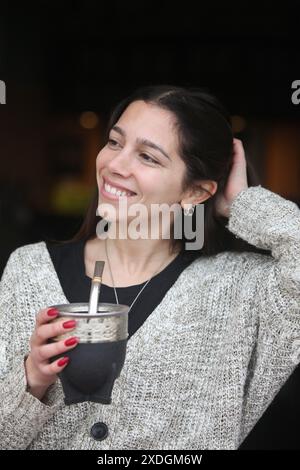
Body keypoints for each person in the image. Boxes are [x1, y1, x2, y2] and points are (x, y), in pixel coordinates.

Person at [0, 84, 299, 450]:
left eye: (148, 157)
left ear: (196, 192)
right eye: (114, 142)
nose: (115, 164)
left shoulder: (241, 290)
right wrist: (31, 381)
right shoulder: (28, 270)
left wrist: (245, 203)